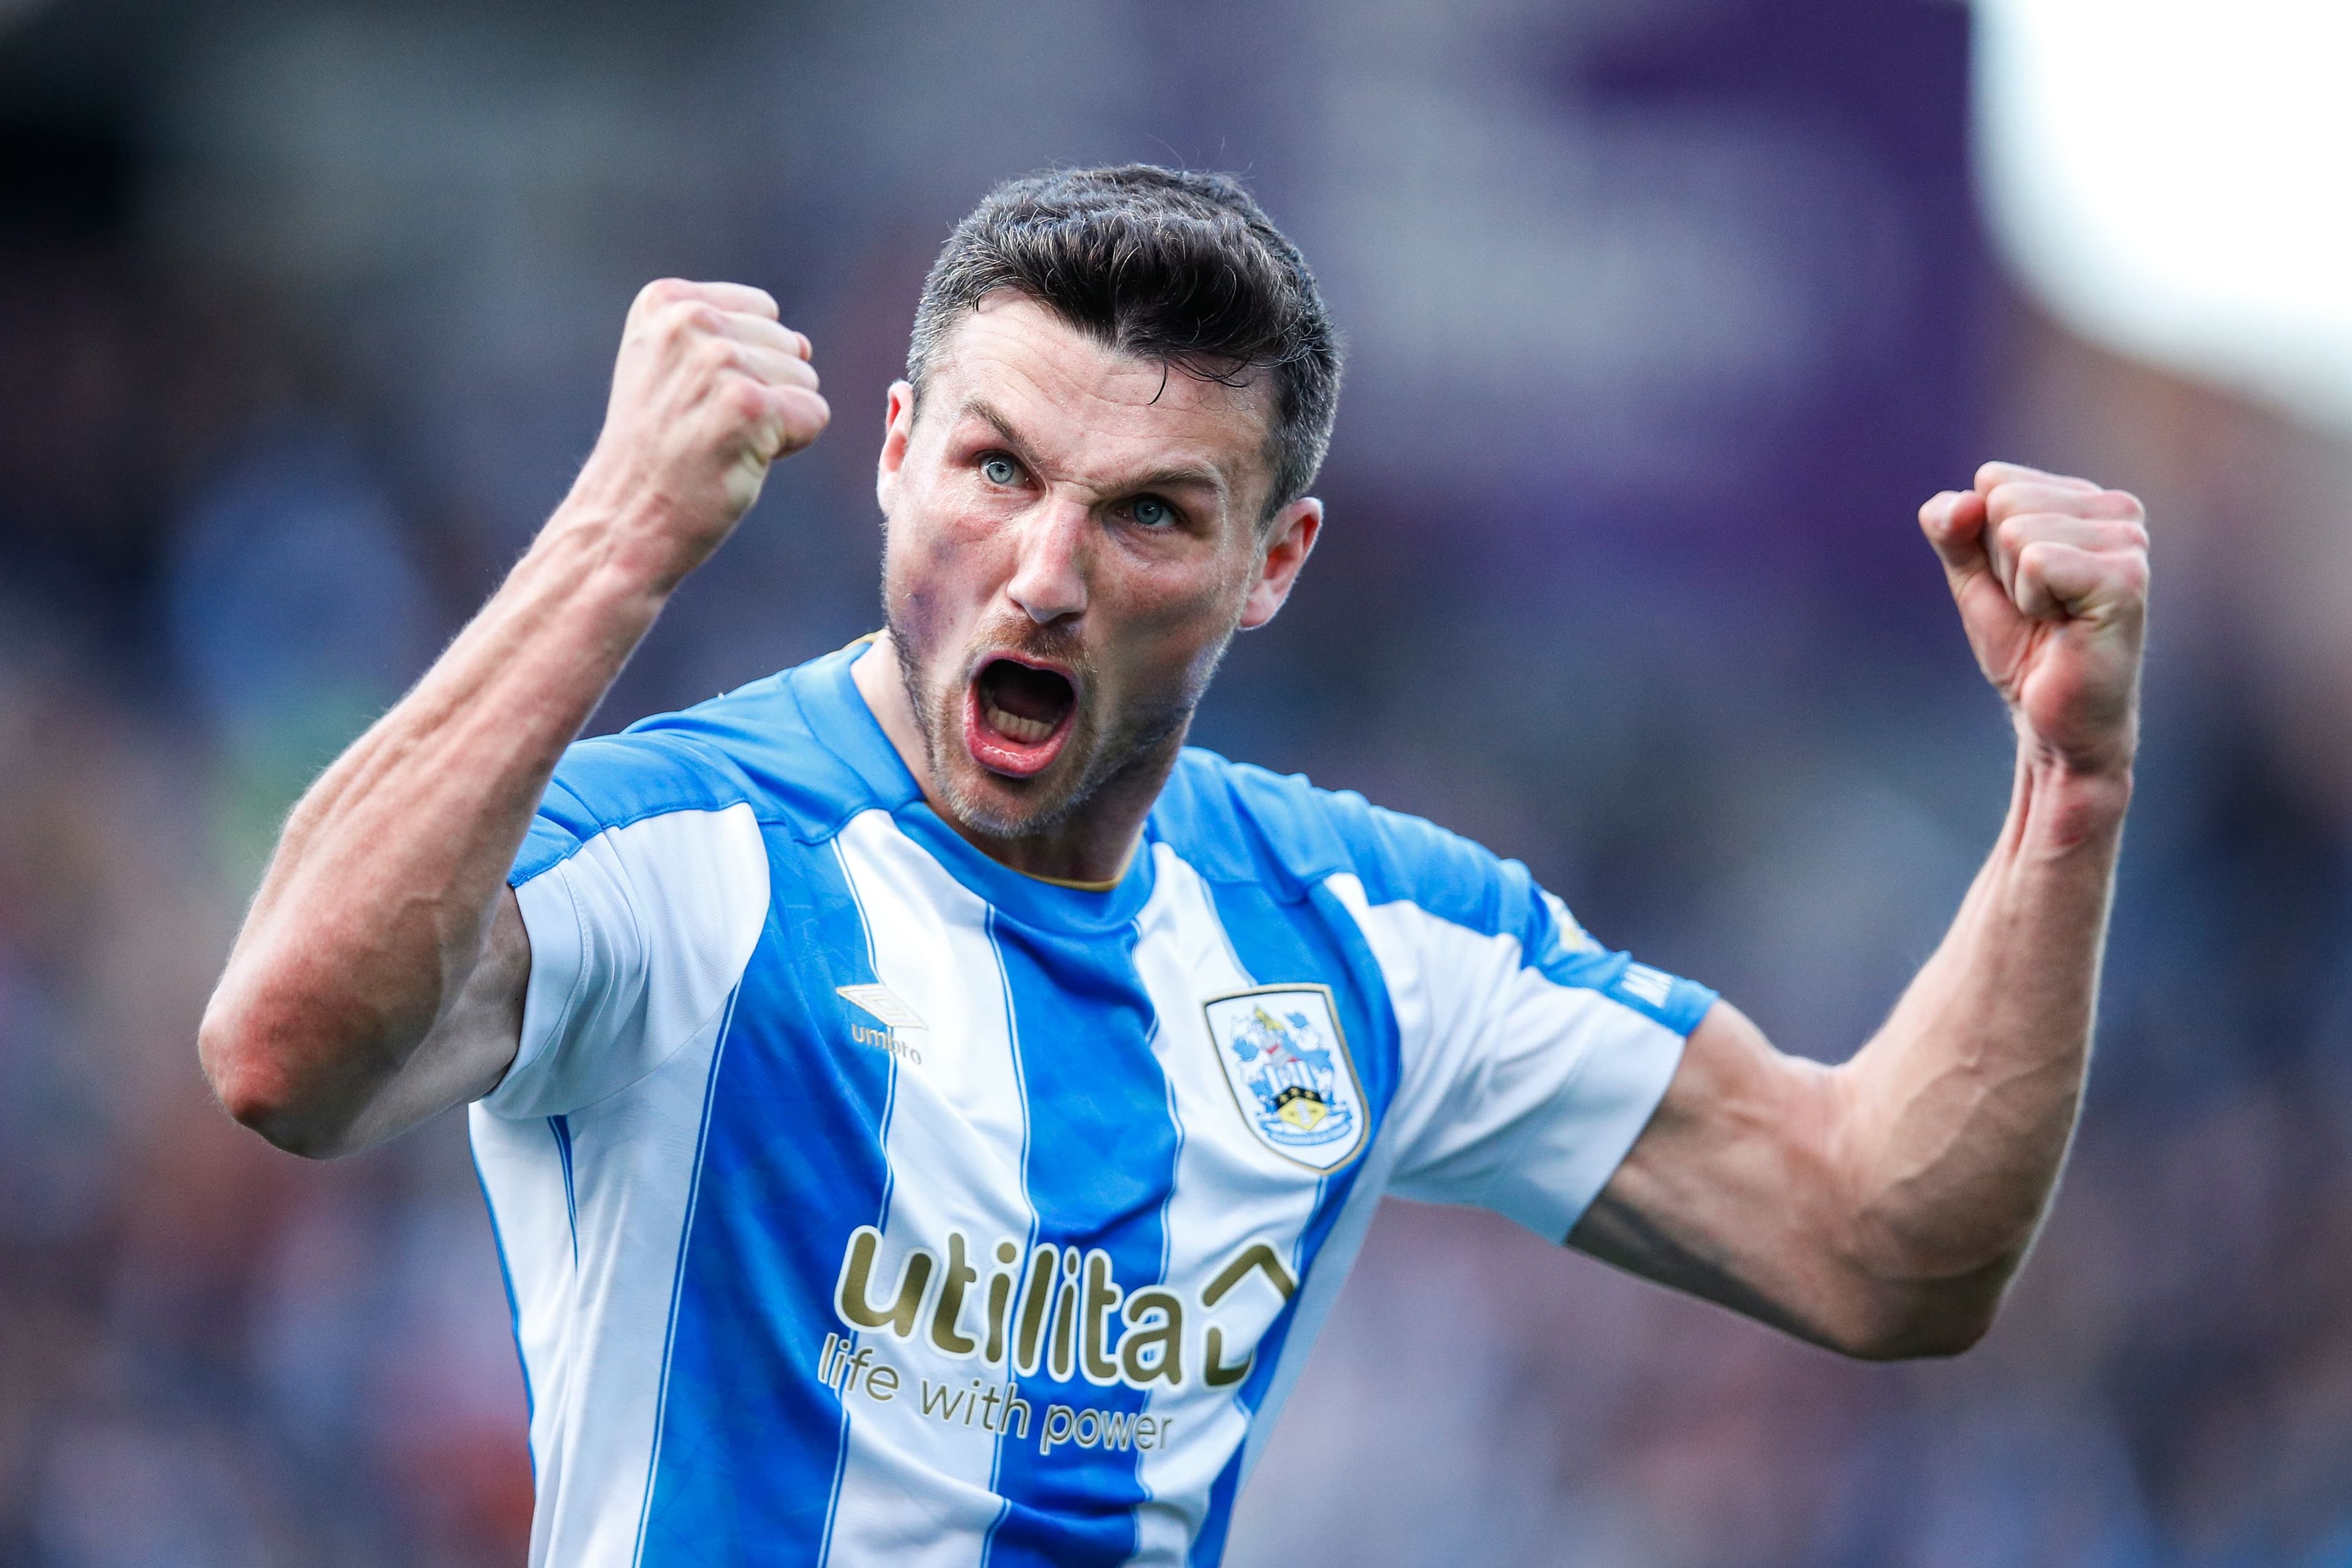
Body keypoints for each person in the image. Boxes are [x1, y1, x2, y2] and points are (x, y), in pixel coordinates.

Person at [198, 165, 2149, 1566]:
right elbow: (285, 1051)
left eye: (1147, 514)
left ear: (1270, 566)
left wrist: (2067, 785)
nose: (1046, 570)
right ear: (890, 453)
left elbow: (1883, 1244)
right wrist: (618, 533)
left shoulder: (1366, 939)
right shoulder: (686, 851)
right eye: (996, 470)